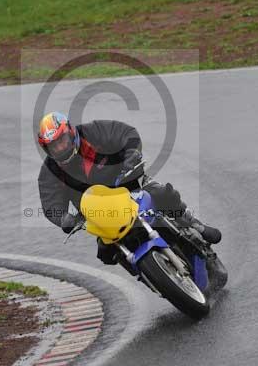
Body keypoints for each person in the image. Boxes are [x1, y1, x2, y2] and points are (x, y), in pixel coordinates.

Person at [37, 112, 223, 267]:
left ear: (70, 132)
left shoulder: (94, 132)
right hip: (101, 213)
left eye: (62, 140)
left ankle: (193, 223)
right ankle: (150, 277)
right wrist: (63, 218)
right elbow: (50, 203)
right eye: (54, 146)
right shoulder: (50, 172)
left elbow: (126, 134)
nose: (60, 148)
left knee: (162, 194)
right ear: (47, 150)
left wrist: (132, 155)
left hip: (129, 184)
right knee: (106, 254)